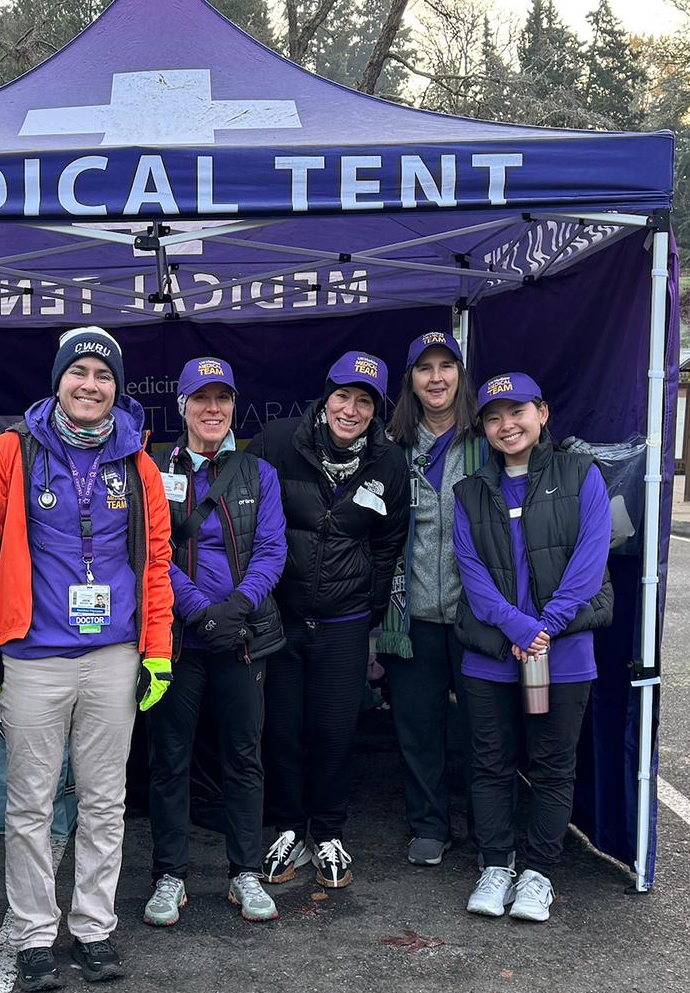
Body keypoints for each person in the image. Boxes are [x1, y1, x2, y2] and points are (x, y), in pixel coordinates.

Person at [0, 327, 174, 991]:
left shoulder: (139, 463)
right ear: (58, 381)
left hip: (111, 655)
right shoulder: (5, 453)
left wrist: (158, 650)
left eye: (103, 375)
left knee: (106, 802)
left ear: (117, 389)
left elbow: (157, 563)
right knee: (29, 804)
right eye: (78, 372)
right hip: (32, 655)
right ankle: (31, 935)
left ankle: (93, 929)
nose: (90, 385)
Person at [452, 372, 613, 923]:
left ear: (541, 413)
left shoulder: (580, 473)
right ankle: (496, 865)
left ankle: (539, 874)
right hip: (491, 655)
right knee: (491, 765)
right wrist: (521, 630)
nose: (506, 425)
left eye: (516, 412)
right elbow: (472, 576)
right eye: (493, 418)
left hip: (564, 654)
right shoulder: (468, 492)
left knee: (551, 767)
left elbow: (591, 562)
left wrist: (546, 626)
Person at [247, 351, 409, 889]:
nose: (352, 409)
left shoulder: (388, 462)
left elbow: (388, 546)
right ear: (325, 396)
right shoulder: (277, 441)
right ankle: (290, 827)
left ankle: (330, 831)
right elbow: (250, 525)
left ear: (377, 410)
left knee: (336, 731)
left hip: (345, 620)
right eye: (343, 396)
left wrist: (373, 611)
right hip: (284, 616)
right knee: (284, 729)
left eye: (365, 401)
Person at [144, 357, 287, 927]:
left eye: (222, 399)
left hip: (241, 638)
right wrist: (200, 611)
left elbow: (272, 550)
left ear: (233, 406)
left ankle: (244, 873)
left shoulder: (260, 474)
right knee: (169, 761)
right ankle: (169, 876)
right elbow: (154, 552)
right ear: (182, 406)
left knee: (244, 759)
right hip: (178, 639)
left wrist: (236, 608)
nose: (212, 409)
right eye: (200, 399)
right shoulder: (154, 470)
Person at [377, 330, 487, 867]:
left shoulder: (486, 442)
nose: (437, 377)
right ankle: (429, 824)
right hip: (411, 614)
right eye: (425, 368)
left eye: (447, 366)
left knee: (481, 729)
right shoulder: (391, 448)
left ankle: (487, 824)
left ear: (461, 376)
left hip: (476, 616)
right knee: (418, 727)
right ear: (411, 381)